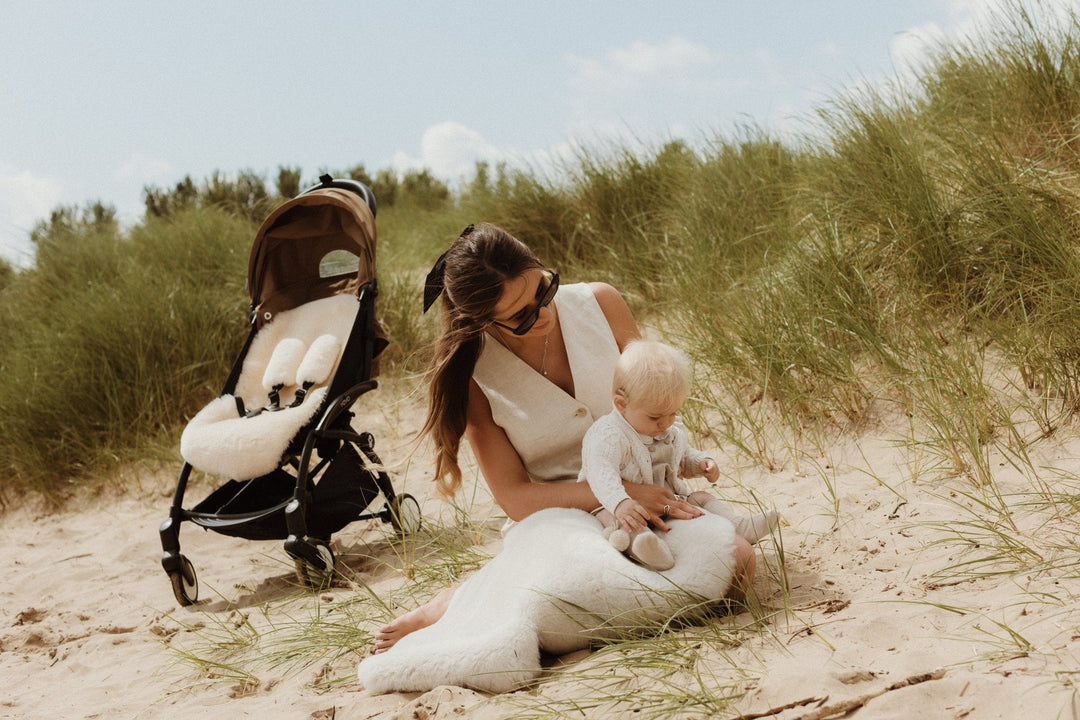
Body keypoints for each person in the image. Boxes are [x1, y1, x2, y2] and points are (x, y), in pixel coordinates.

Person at [373, 223, 755, 653]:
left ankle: (496, 597)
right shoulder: (474, 373)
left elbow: (657, 399)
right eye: (522, 316)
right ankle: (462, 601)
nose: (545, 313)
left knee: (738, 564)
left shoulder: (602, 303)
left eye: (544, 288)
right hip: (558, 517)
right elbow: (515, 497)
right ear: (482, 319)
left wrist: (672, 471)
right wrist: (621, 494)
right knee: (575, 597)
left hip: (652, 491)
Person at [580, 339, 780, 571]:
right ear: (621, 404)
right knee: (626, 522)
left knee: (702, 498)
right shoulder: (608, 436)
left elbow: (681, 454)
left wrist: (701, 463)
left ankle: (739, 526)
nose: (665, 424)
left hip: (669, 500)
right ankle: (647, 549)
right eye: (655, 417)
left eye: (672, 413)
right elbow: (600, 473)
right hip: (620, 504)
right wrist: (621, 502)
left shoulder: (668, 429)